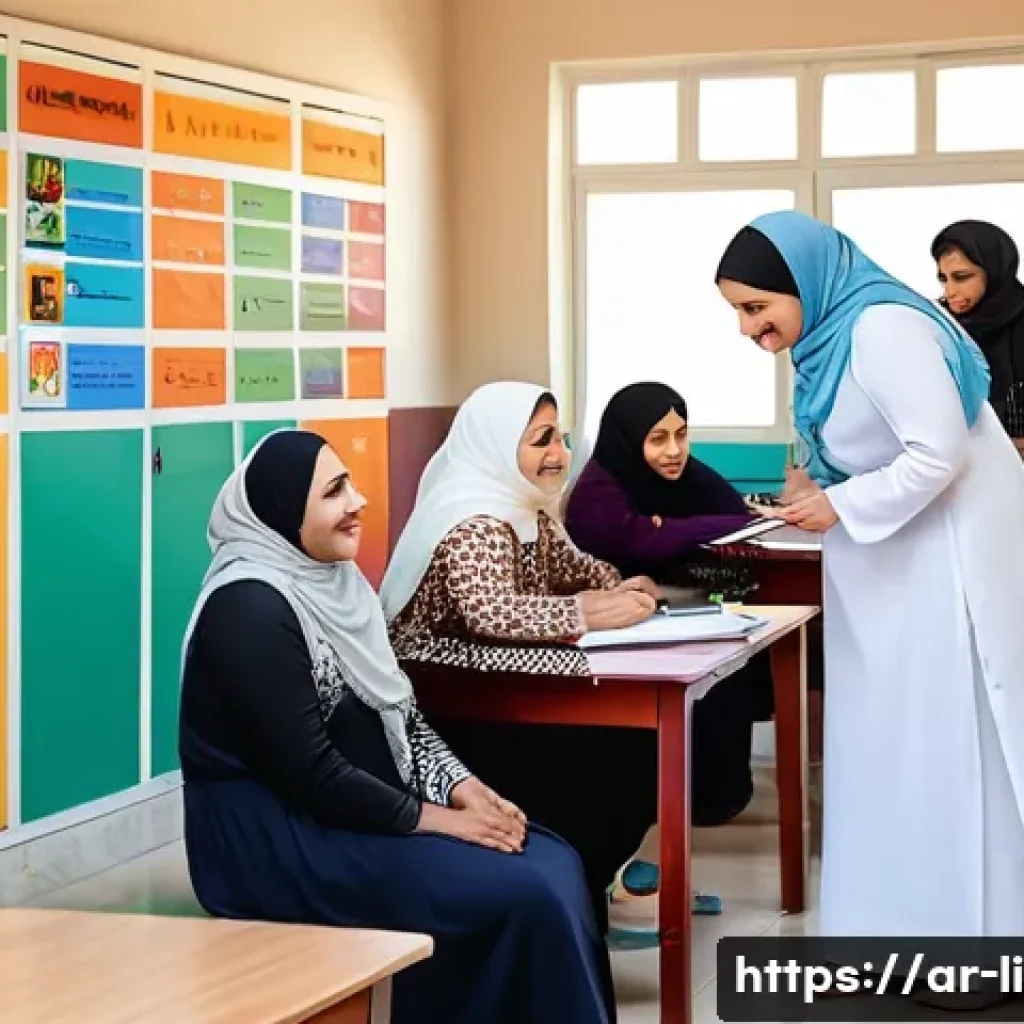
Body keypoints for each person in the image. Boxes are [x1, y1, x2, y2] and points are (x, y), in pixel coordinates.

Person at [179, 429, 617, 1024]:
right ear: (284, 509)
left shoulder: (336, 582)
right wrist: (444, 824)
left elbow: (402, 718)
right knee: (523, 892)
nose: (358, 501)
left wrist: (468, 790)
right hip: (276, 841)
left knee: (555, 861)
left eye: (350, 485)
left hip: (354, 811)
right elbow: (311, 774)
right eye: (334, 491)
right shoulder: (250, 608)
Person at [715, 211, 1024, 952]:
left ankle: (968, 947)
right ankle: (896, 938)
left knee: (939, 751)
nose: (748, 329)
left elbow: (936, 452)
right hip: (895, 573)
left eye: (757, 308)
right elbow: (859, 451)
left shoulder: (881, 327)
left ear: (804, 285)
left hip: (947, 576)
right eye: (737, 312)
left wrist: (837, 503)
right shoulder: (825, 344)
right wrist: (815, 486)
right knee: (889, 754)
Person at [381, 382, 662, 931]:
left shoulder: (526, 510)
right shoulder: (474, 520)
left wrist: (624, 587)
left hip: (509, 685)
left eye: (559, 437)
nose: (558, 453)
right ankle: (568, 894)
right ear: (496, 444)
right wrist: (585, 614)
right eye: (540, 440)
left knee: (636, 743)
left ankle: (580, 889)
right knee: (611, 756)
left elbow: (584, 571)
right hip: (450, 702)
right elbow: (491, 614)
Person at [562, 382, 776, 898]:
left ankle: (705, 809)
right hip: (621, 635)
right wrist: (665, 529)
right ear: (627, 437)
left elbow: (736, 513)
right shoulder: (597, 491)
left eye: (681, 434)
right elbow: (639, 540)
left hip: (673, 615)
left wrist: (671, 525)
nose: (674, 451)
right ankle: (653, 843)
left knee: (735, 664)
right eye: (657, 438)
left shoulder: (679, 471)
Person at [932, 220, 1024, 443]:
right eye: (944, 279)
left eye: (962, 277)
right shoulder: (940, 323)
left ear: (993, 271)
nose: (950, 291)